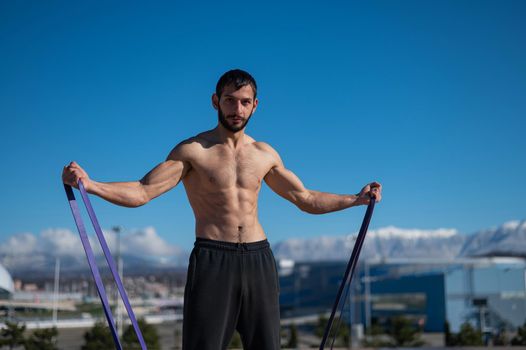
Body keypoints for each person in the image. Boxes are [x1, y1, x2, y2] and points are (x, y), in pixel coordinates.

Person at [62, 69, 382, 350]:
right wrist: (91, 185)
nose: (237, 109)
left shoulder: (264, 154)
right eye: (230, 100)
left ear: (255, 105)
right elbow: (144, 190)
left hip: (259, 259)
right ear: (216, 101)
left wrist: (355, 199)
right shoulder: (193, 151)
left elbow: (305, 198)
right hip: (213, 260)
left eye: (245, 102)